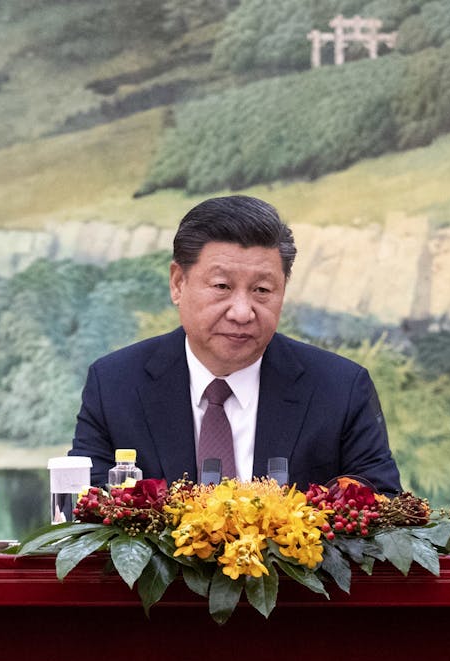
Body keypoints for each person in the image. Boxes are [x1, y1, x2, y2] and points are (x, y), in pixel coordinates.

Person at [69, 195, 401, 492]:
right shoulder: (115, 385)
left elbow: (384, 515)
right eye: (222, 286)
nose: (242, 313)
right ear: (178, 283)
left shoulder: (339, 389)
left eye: (262, 291)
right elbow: (87, 519)